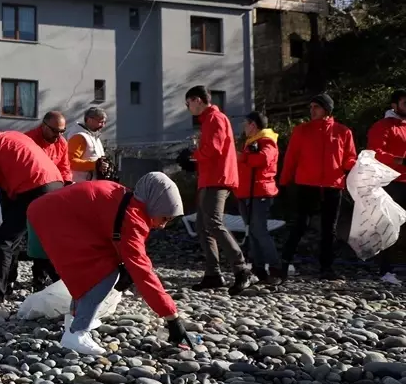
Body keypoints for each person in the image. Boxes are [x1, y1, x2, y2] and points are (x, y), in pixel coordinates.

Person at [29, 172, 191, 355]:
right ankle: (76, 334)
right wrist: (172, 318)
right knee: (102, 273)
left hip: (49, 212)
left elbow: (110, 232)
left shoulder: (124, 197)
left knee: (97, 270)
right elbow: (143, 273)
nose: (162, 226)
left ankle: (75, 321)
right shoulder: (133, 218)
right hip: (53, 218)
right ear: (154, 204)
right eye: (164, 218)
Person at [0, 128, 65, 311]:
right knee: (44, 241)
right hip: (55, 184)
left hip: (34, 188)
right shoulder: (11, 137)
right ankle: (70, 287)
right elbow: (6, 189)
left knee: (3, 241)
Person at [280, 93, 357, 281]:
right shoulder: (301, 130)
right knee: (300, 225)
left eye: (316, 107)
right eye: (311, 107)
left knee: (329, 229)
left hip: (333, 185)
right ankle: (282, 263)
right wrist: (283, 181)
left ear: (327, 109)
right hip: (307, 184)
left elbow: (350, 156)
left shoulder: (343, 131)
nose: (312, 110)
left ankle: (326, 268)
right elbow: (291, 158)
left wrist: (352, 165)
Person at [185, 86, 252, 294]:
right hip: (212, 178)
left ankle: (242, 270)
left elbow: (213, 149)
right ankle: (213, 274)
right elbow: (212, 150)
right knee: (203, 225)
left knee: (212, 223)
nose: (188, 108)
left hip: (217, 178)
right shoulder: (210, 120)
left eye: (188, 104)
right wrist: (195, 158)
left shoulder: (214, 118)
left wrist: (193, 156)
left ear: (197, 100)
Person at [236, 112, 283, 286]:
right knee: (254, 232)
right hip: (248, 192)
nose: (244, 127)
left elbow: (264, 159)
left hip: (258, 192)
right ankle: (259, 269)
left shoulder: (266, 140)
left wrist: (244, 157)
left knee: (259, 231)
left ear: (253, 125)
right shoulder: (253, 142)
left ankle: (275, 268)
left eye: (245, 124)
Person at [368, 89, 406, 284]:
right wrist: (398, 160)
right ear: (394, 105)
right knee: (390, 226)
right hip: (391, 183)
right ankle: (386, 270)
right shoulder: (382, 126)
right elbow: (374, 152)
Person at [26, 111, 73, 184]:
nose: (58, 135)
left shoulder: (62, 143)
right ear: (44, 126)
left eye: (62, 131)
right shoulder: (28, 141)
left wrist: (67, 183)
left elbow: (64, 168)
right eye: (55, 131)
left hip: (51, 186)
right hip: (31, 186)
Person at [68, 107, 108, 183]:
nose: (103, 125)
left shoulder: (94, 137)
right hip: (80, 185)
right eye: (101, 122)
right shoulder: (79, 137)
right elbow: (71, 162)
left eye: (104, 122)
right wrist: (95, 165)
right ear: (89, 120)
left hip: (92, 183)